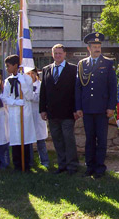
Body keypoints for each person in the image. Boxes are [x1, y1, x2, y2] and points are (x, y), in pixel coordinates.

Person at [75, 32, 117, 179]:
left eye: (99, 46)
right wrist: (78, 107)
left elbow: (112, 87)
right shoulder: (82, 64)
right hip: (87, 109)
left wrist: (111, 107)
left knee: (101, 139)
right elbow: (78, 87)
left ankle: (100, 168)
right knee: (89, 139)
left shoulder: (107, 63)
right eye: (94, 46)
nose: (97, 48)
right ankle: (89, 166)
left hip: (102, 109)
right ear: (89, 48)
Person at [40, 44, 79, 175]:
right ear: (52, 54)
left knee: (68, 139)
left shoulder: (73, 69)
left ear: (64, 54)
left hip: (68, 112)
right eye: (55, 53)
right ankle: (61, 165)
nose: (57, 55)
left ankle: (72, 166)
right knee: (57, 139)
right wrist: (42, 109)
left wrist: (76, 109)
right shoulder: (46, 69)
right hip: (52, 112)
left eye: (60, 53)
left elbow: (76, 91)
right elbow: (43, 91)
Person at [3, 55, 36, 171]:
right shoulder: (7, 81)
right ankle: (17, 164)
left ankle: (26, 164)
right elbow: (5, 98)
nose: (7, 68)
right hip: (13, 112)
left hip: (24, 112)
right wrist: (15, 102)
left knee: (25, 138)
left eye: (8, 66)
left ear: (16, 65)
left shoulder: (26, 79)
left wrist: (24, 85)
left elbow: (30, 96)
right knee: (15, 138)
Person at [26, 68, 49, 168]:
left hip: (38, 114)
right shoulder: (24, 85)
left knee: (40, 141)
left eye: (32, 73)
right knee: (29, 141)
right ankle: (30, 162)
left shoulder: (41, 85)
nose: (30, 75)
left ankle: (44, 161)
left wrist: (30, 95)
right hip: (28, 114)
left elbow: (38, 98)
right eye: (28, 73)